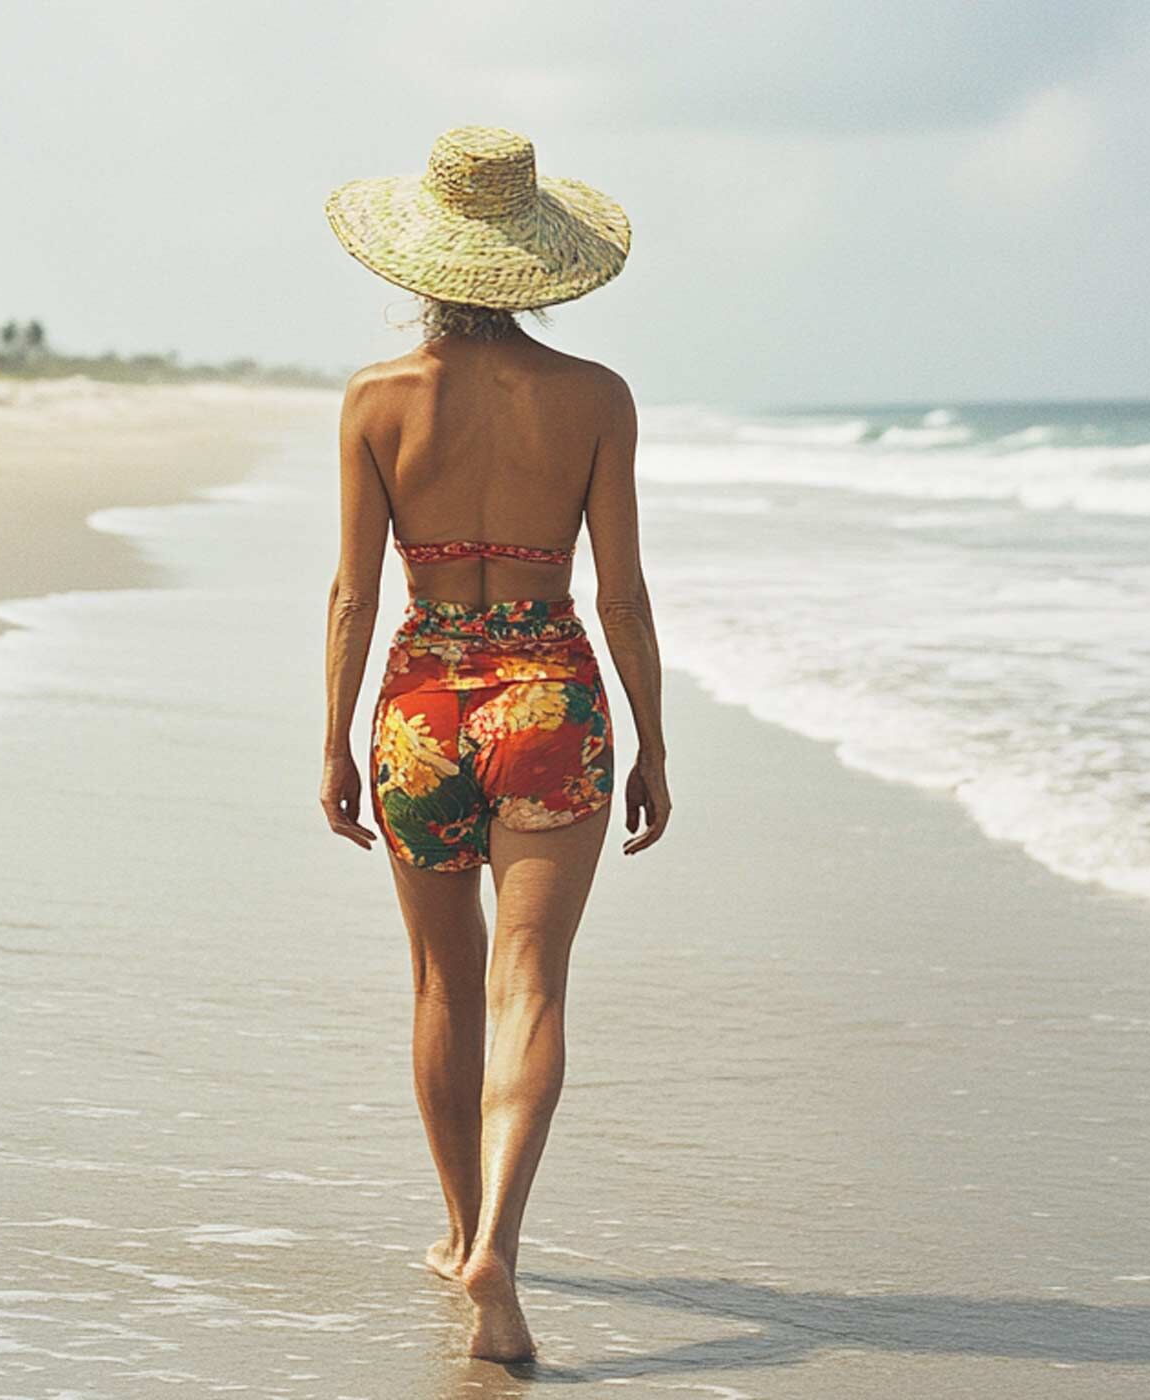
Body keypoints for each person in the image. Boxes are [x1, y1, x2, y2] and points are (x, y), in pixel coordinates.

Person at [318, 125, 671, 1362]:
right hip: (549, 700)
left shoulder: (376, 399)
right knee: (532, 982)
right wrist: (653, 741)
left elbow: (355, 596)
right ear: (534, 257)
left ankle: (457, 1222)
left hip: (418, 704)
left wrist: (333, 742)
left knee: (437, 983)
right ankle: (497, 1251)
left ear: (419, 255)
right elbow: (620, 594)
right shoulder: (592, 400)